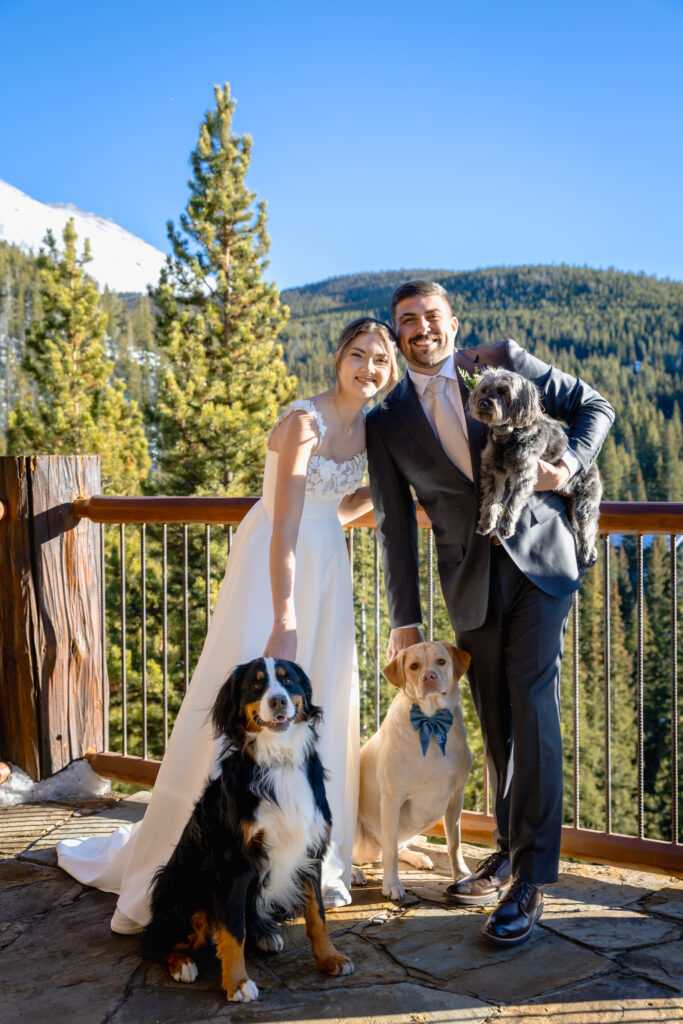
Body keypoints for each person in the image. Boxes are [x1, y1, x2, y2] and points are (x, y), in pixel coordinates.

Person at [58, 318, 398, 931]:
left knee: (323, 700)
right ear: (337, 358)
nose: (369, 367)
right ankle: (197, 856)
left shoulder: (370, 428)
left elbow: (336, 510)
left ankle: (303, 861)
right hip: (279, 563)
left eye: (380, 359)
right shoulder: (304, 422)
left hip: (328, 565)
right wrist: (284, 612)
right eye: (358, 354)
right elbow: (287, 520)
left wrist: (392, 490)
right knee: (242, 699)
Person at [366, 280, 614, 947]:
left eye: (432, 316)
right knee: (497, 720)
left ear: (453, 322)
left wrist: (566, 464)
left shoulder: (500, 361)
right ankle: (505, 849)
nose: (422, 328)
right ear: (397, 334)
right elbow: (392, 525)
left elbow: (596, 407)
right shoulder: (384, 420)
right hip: (468, 584)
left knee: (531, 704)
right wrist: (405, 622)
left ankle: (529, 879)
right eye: (407, 321)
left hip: (541, 561)